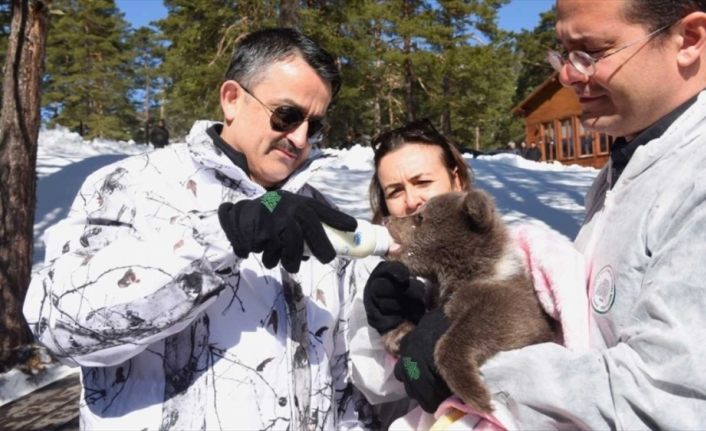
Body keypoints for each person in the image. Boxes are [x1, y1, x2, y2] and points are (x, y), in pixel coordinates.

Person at [23, 28, 375, 430]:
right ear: (232, 99)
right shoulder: (131, 186)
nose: (298, 138)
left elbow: (342, 382)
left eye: (313, 126)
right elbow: (59, 327)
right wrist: (222, 236)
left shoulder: (321, 216)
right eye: (287, 115)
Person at [384, 0, 706, 428]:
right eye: (563, 53)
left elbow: (667, 399)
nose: (568, 74)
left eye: (592, 52)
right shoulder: (627, 166)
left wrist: (466, 364)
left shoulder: (695, 178)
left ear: (689, 40)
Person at [348, 119, 474, 426]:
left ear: (456, 180)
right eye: (395, 191)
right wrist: (400, 334)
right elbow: (374, 379)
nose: (411, 201)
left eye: (422, 182)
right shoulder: (381, 273)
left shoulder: (502, 245)